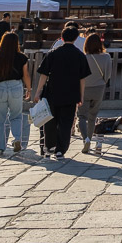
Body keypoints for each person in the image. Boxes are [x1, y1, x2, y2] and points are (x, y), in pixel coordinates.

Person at [36, 26, 92, 160]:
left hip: (52, 92)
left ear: (62, 38)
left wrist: (38, 92)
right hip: (71, 93)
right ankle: (61, 150)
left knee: (50, 121)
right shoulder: (79, 55)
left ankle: (49, 147)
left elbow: (44, 74)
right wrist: (81, 95)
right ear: (75, 38)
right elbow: (82, 78)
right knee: (66, 123)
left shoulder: (53, 53)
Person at [0, 32, 32, 156]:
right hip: (16, 86)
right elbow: (25, 75)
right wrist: (29, 89)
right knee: (16, 116)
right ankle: (16, 139)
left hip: (1, 88)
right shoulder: (22, 57)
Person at [77, 33, 113, 154]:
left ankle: (85, 139)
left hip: (84, 88)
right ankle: (90, 138)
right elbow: (107, 75)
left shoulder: (83, 58)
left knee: (82, 116)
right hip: (99, 88)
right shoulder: (106, 57)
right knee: (93, 116)